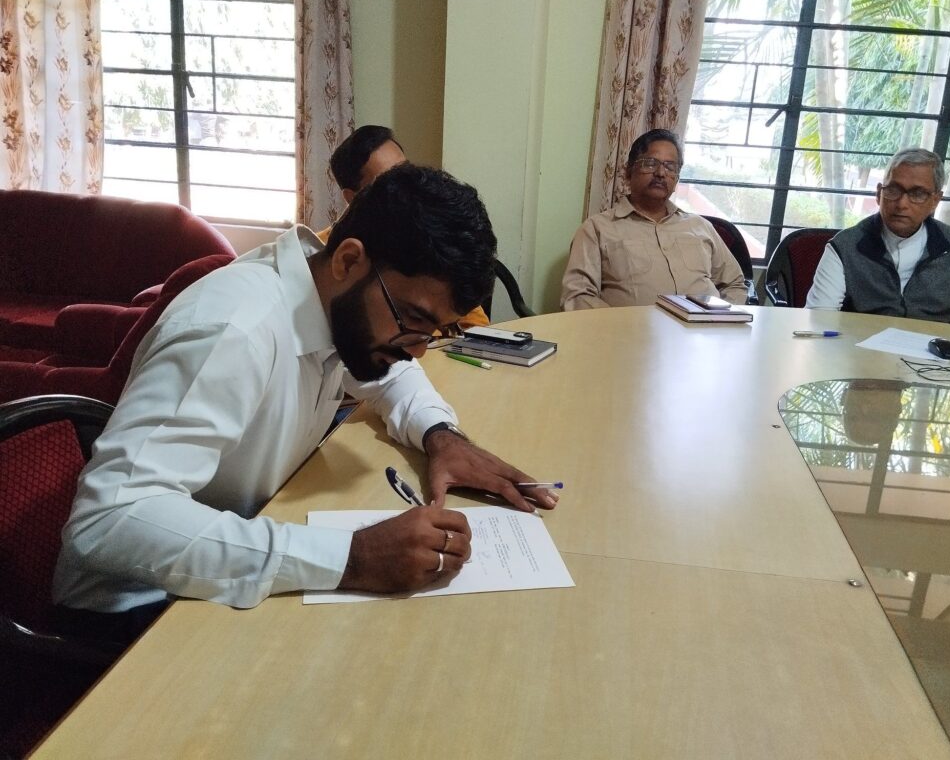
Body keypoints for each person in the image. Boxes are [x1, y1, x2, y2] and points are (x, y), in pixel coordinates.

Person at [53, 164, 558, 630]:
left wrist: (440, 436)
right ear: (349, 259)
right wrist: (353, 557)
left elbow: (388, 375)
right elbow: (109, 521)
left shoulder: (330, 301)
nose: (419, 350)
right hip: (137, 612)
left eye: (434, 331)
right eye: (413, 320)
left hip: (225, 565)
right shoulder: (235, 331)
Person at [318, 125, 489, 329]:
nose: (408, 187)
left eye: (408, 172)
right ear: (352, 197)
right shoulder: (323, 256)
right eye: (387, 183)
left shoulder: (430, 236)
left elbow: (475, 324)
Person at [805, 148, 950, 327]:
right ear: (879, 194)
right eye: (893, 190)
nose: (902, 204)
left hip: (933, 350)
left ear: (935, 201)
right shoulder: (845, 247)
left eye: (917, 194)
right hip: (856, 347)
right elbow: (819, 319)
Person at [560, 128, 747, 311]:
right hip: (631, 331)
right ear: (628, 172)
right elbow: (577, 296)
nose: (660, 173)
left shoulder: (700, 226)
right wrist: (621, 327)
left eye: (670, 167)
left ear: (676, 178)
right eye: (650, 163)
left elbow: (734, 284)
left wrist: (722, 320)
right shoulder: (597, 229)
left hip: (706, 330)